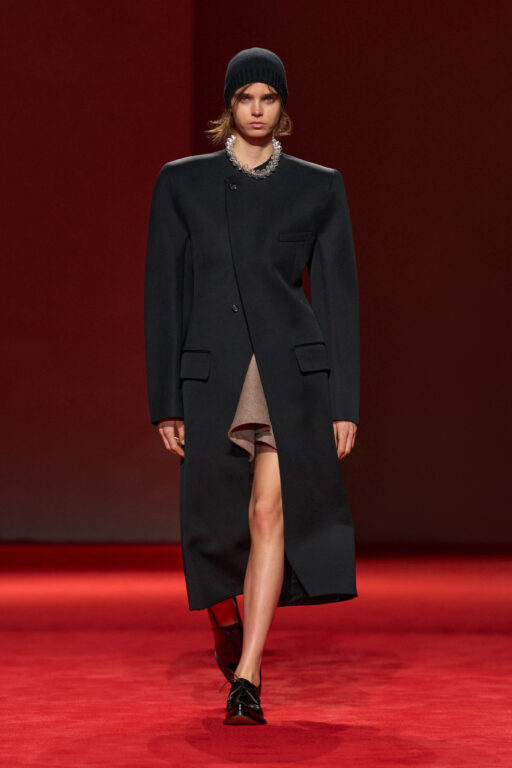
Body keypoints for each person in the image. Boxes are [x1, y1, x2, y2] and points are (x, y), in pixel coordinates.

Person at [144, 47, 360, 725]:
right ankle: (224, 618)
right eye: (246, 97)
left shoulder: (317, 187)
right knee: (210, 528)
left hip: (288, 375)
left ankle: (248, 677)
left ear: (283, 106)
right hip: (213, 372)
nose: (258, 110)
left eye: (269, 97)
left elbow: (338, 299)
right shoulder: (182, 184)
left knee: (269, 514)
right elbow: (164, 295)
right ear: (229, 106)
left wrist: (344, 403)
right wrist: (165, 399)